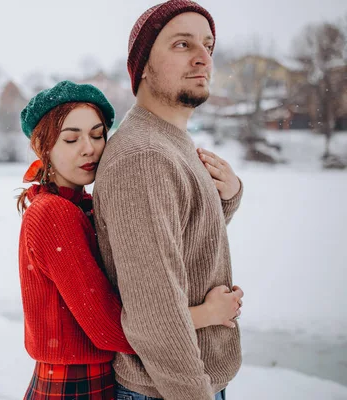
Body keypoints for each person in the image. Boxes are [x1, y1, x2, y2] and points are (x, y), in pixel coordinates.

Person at [17, 80, 242, 400]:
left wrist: (227, 198)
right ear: (44, 147)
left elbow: (175, 243)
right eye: (71, 138)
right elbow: (110, 329)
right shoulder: (54, 215)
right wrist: (208, 314)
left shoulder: (80, 206)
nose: (89, 148)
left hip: (93, 379)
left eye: (97, 135)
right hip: (75, 388)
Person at [92, 1, 245, 399]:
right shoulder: (145, 156)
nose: (203, 59)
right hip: (168, 389)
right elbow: (154, 316)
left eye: (209, 46)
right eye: (182, 44)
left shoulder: (167, 141)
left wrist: (228, 198)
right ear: (142, 64)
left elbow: (179, 241)